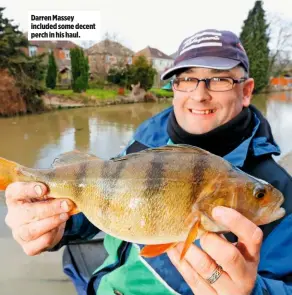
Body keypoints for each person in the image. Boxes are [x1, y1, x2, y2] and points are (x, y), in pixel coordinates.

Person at [4, 29, 292, 295]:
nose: (199, 94)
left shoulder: (281, 190)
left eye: (218, 79)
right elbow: (101, 198)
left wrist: (254, 292)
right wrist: (54, 225)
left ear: (246, 90)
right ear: (174, 88)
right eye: (187, 78)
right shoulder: (145, 142)